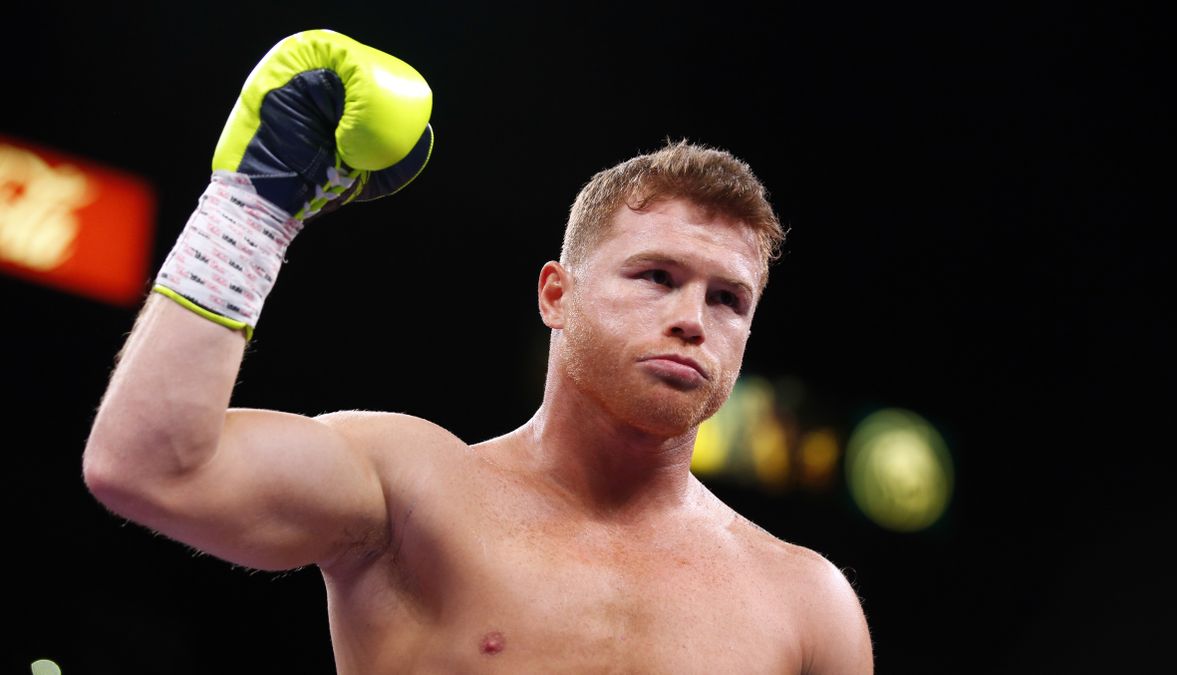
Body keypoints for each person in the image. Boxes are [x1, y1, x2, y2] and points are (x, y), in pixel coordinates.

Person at [83, 29, 874, 674]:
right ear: (556, 295)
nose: (692, 318)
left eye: (727, 298)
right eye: (657, 275)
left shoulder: (807, 603)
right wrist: (253, 210)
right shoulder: (412, 492)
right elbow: (149, 465)